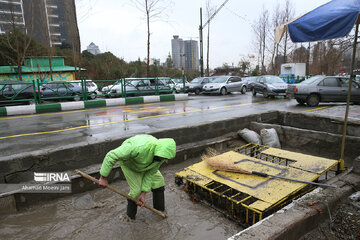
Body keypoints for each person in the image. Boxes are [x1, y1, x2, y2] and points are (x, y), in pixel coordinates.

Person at [98, 134, 176, 219]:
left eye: (164, 158)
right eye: (162, 157)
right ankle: (130, 218)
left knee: (159, 181)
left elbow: (150, 174)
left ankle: (159, 211)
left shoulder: (161, 157)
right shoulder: (136, 147)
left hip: (146, 165)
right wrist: (103, 177)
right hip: (130, 165)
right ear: (157, 151)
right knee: (136, 191)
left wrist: (144, 193)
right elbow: (111, 156)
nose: (163, 159)